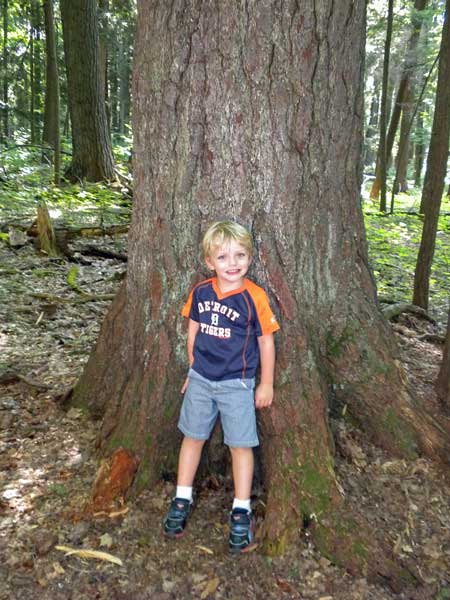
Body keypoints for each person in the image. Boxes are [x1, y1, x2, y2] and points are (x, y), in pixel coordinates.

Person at [163, 220, 279, 553]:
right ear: (209, 261)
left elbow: (266, 342)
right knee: (193, 437)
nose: (233, 264)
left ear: (250, 258)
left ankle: (241, 507)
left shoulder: (254, 297)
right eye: (223, 257)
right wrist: (192, 369)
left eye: (240, 255)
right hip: (201, 380)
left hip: (236, 384)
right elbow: (193, 332)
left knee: (240, 444)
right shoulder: (200, 292)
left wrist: (266, 383)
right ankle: (181, 498)